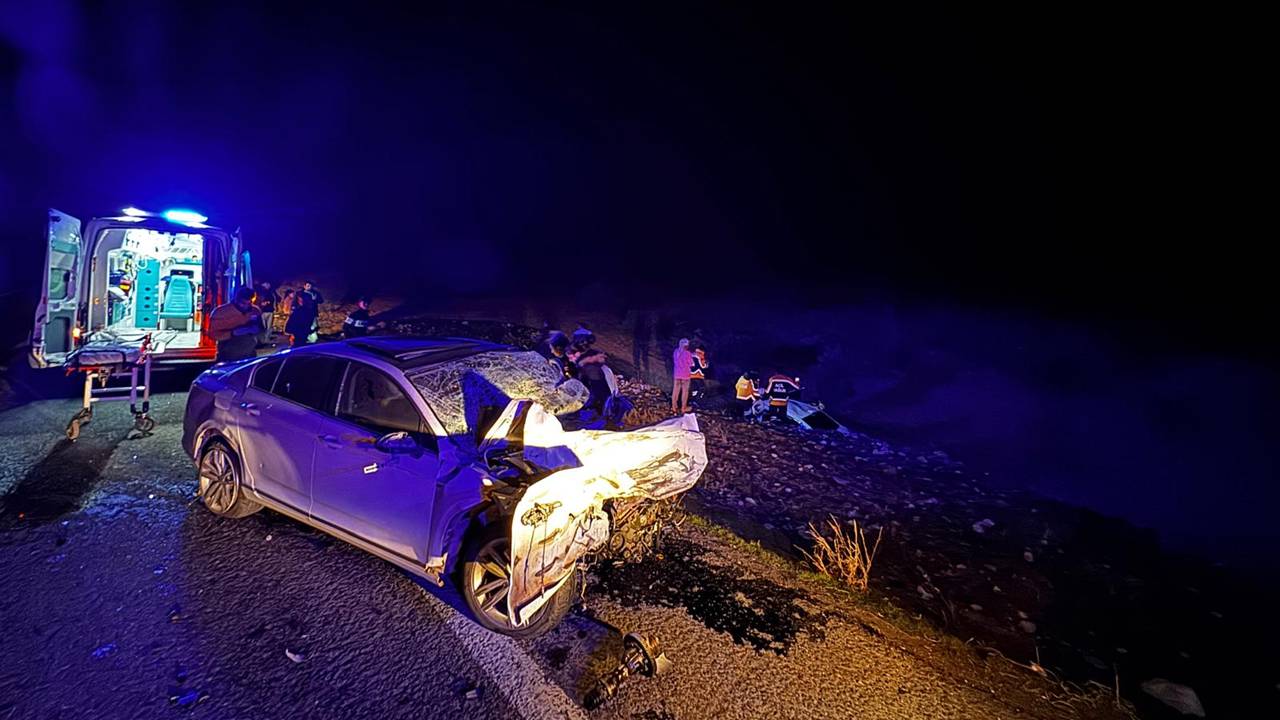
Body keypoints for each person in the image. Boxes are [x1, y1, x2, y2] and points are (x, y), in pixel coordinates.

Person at [209, 287, 262, 362]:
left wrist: (257, 330)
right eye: (243, 303)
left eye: (249, 303)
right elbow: (213, 334)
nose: (246, 306)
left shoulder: (255, 311)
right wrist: (233, 333)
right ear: (237, 299)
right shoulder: (220, 312)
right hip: (228, 357)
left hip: (249, 356)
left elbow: (261, 332)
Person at [671, 338, 693, 414]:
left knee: (675, 391)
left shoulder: (676, 351)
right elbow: (691, 363)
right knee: (685, 391)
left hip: (677, 374)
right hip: (685, 375)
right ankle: (683, 408)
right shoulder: (688, 353)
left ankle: (674, 407)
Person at [255, 281, 277, 347]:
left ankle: (265, 340)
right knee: (265, 327)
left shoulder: (270, 293)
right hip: (263, 311)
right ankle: (263, 340)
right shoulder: (260, 293)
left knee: (268, 327)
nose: (267, 285)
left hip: (268, 311)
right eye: (266, 284)